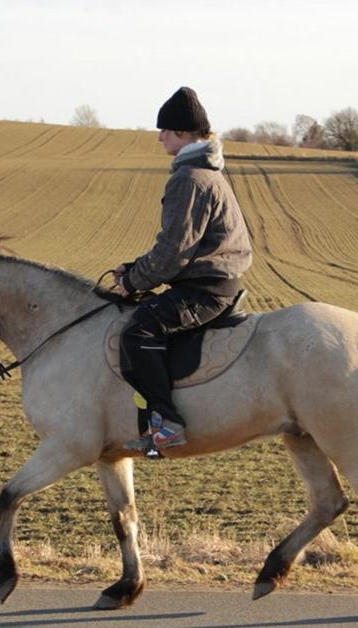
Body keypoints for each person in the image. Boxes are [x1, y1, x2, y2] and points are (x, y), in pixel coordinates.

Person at [113, 86, 253, 453]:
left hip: (205, 288)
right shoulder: (207, 174)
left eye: (166, 131)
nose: (159, 137)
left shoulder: (189, 178)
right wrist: (135, 268)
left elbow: (174, 251)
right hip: (214, 280)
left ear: (186, 134)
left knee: (138, 331)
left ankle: (167, 424)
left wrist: (131, 282)